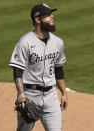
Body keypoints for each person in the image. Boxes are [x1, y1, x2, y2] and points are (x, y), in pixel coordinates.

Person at [9, 3, 68, 131]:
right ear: (37, 19)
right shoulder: (25, 42)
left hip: (51, 96)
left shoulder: (58, 42)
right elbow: (18, 69)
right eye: (47, 15)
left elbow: (58, 68)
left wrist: (63, 93)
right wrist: (21, 94)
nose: (52, 17)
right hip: (30, 96)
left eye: (51, 14)